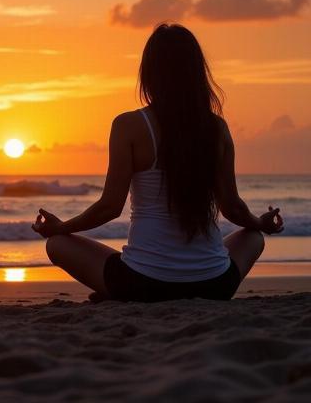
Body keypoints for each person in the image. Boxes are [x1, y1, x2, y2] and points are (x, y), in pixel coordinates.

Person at [32, 23, 284, 302]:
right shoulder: (216, 128)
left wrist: (61, 228)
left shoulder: (129, 125)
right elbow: (233, 208)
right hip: (215, 286)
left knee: (56, 245)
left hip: (143, 286)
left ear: (149, 73)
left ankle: (112, 290)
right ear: (197, 74)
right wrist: (260, 223)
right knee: (254, 237)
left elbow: (109, 208)